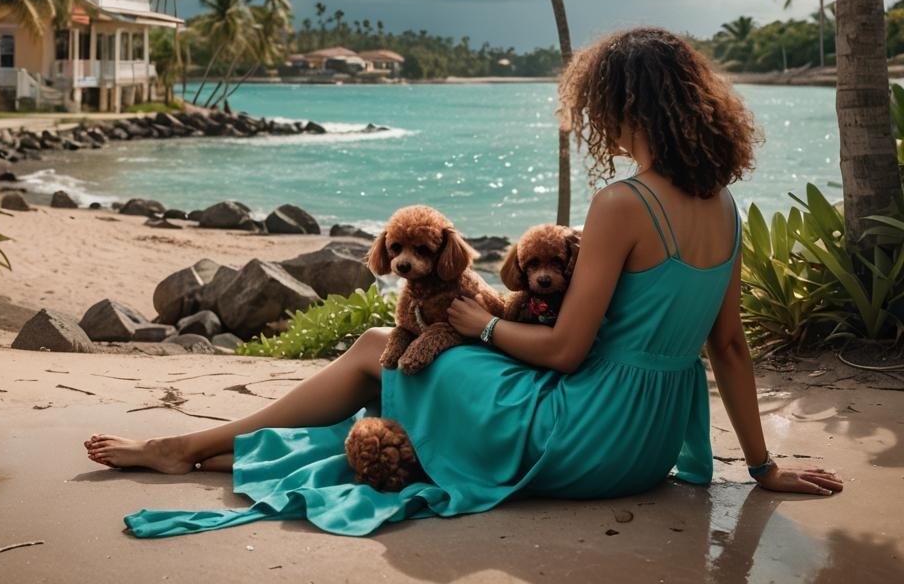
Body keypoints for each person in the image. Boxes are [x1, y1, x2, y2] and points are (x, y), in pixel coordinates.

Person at [85, 27, 843, 537]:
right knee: (400, 361)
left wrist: (476, 324)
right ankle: (210, 448)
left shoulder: (624, 204)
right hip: (645, 448)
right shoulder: (727, 205)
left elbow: (567, 352)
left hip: (578, 434)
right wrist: (764, 466)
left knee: (381, 342)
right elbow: (732, 346)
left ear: (623, 108)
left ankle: (187, 446)